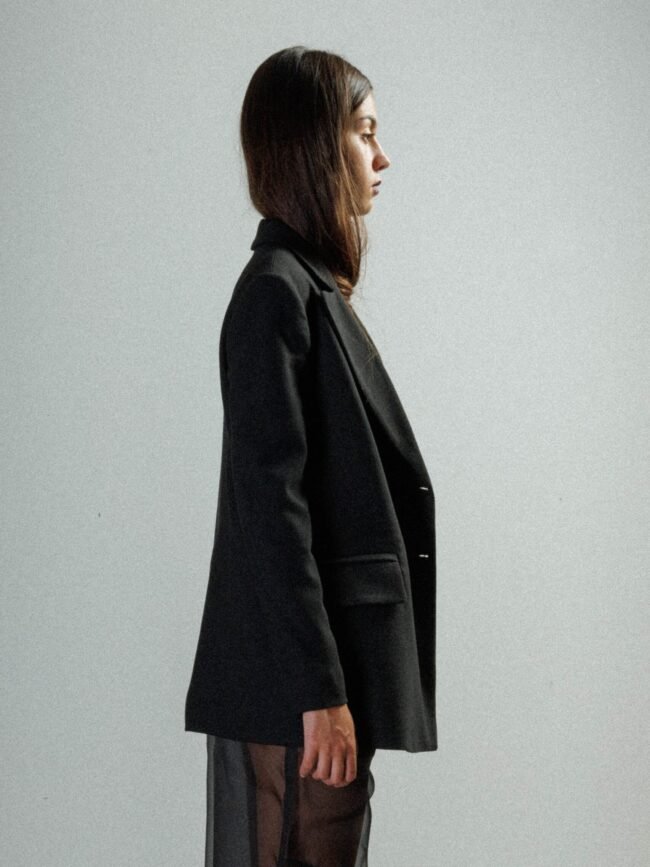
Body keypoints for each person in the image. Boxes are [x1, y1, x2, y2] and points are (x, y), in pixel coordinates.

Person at [185, 45, 438, 867]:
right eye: (365, 132)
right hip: (296, 690)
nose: (382, 156)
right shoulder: (276, 292)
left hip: (314, 681)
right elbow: (272, 512)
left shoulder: (305, 287)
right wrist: (318, 690)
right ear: (313, 147)